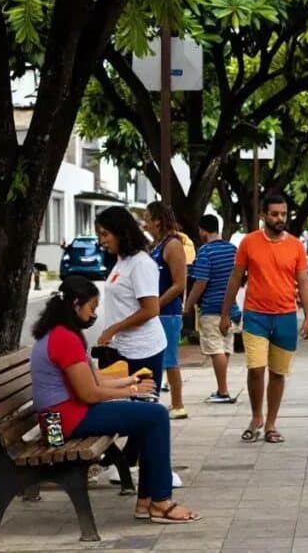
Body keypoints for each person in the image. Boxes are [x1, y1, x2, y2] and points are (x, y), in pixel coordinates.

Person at [30, 275, 200, 524]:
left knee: (147, 414)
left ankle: (146, 501)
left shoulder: (60, 333)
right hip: (61, 423)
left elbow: (93, 379)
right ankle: (161, 501)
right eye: (92, 308)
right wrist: (131, 392)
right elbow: (89, 393)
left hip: (60, 417)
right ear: (76, 304)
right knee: (156, 415)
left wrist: (130, 382)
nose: (93, 315)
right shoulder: (64, 338)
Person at [220, 195, 308, 444]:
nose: (280, 218)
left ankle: (271, 423)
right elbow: (235, 278)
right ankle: (256, 417)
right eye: (274, 214)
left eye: (283, 214)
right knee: (255, 368)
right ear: (263, 215)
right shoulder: (249, 243)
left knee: (278, 372)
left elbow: (303, 281)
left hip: (285, 316)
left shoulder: (295, 245)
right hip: (255, 315)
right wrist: (225, 313)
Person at [94, 206, 168, 473]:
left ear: (121, 232)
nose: (102, 241)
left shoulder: (141, 263)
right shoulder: (122, 261)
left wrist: (113, 329)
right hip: (124, 349)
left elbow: (150, 309)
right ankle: (128, 459)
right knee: (134, 405)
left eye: (105, 234)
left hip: (144, 348)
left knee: (144, 406)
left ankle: (137, 462)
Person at [185, 214, 241, 404]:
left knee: (215, 348)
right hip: (231, 307)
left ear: (202, 230)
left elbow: (201, 281)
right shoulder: (233, 249)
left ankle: (223, 391)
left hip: (211, 307)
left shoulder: (205, 252)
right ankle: (221, 387)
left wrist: (189, 303)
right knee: (224, 347)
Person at [143, 202, 188, 420]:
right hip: (157, 311)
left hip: (167, 311)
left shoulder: (173, 245)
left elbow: (179, 284)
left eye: (147, 218)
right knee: (159, 359)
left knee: (169, 359)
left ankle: (178, 404)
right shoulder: (158, 245)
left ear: (158, 220)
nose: (145, 223)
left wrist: (157, 303)